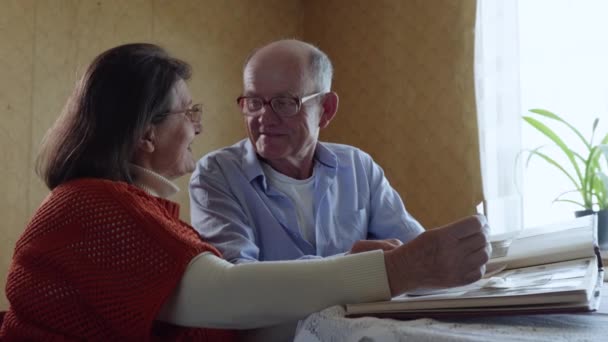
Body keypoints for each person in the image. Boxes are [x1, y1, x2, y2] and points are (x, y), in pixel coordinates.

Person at [0, 43, 490, 341]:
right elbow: (227, 294)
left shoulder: (134, 206)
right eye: (187, 113)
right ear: (146, 134)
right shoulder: (92, 207)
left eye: (283, 103)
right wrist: (396, 269)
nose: (198, 126)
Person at [189, 39, 424, 263]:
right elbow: (234, 282)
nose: (265, 118)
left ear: (326, 109)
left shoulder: (357, 167)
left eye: (284, 102)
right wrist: (351, 267)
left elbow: (418, 258)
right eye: (254, 102)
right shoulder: (217, 174)